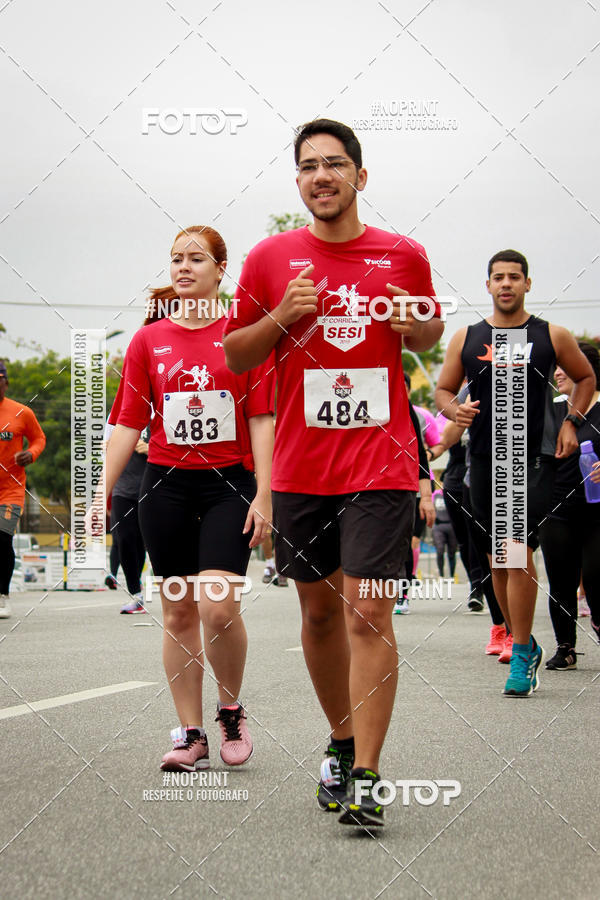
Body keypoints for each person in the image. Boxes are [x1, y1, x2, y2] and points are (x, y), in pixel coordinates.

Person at [223, 118, 443, 827]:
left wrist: (414, 322)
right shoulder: (269, 259)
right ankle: (343, 743)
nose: (323, 176)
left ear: (360, 176)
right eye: (310, 166)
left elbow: (430, 330)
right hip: (302, 466)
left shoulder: (402, 253)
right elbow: (235, 354)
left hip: (381, 462)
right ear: (298, 181)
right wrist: (280, 316)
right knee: (318, 613)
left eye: (336, 164)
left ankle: (369, 776)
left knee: (369, 609)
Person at [93, 226, 275, 770]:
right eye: (175, 259)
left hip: (228, 485)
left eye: (196, 258)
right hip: (165, 486)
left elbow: (261, 418)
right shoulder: (148, 341)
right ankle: (190, 735)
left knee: (218, 606)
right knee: (177, 611)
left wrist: (266, 493)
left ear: (221, 269)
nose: (183, 267)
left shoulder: (242, 336)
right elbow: (128, 424)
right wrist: (100, 491)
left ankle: (230, 710)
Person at [435, 249, 595, 697]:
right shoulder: (467, 337)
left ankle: (521, 651)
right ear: (487, 285)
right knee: (497, 561)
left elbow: (585, 378)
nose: (506, 284)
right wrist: (454, 410)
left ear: (528, 284)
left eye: (514, 277)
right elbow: (443, 389)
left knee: (515, 551)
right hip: (484, 459)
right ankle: (521, 638)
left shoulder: (550, 335)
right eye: (498, 277)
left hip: (531, 460)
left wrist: (571, 421)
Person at [539, 342, 600, 668]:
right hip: (556, 510)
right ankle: (566, 648)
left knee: (595, 575)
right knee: (560, 581)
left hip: (597, 513)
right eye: (557, 367)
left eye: (565, 367)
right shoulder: (553, 411)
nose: (558, 373)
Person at [0, 360, 46, 618]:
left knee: (2, 538)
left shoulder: (21, 412)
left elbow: (39, 438)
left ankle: (3, 596)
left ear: (5, 383)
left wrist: (31, 453)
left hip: (11, 490)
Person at [104, 425, 150, 614]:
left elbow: (175, 450)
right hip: (121, 489)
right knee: (123, 539)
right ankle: (136, 594)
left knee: (142, 542)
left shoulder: (159, 414)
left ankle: (173, 592)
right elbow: (107, 450)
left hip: (150, 488)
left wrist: (150, 449)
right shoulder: (114, 420)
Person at [432, 484, 458, 578]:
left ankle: (452, 575)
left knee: (452, 552)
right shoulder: (435, 494)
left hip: (451, 525)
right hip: (438, 526)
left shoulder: (452, 493)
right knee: (440, 550)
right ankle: (441, 575)